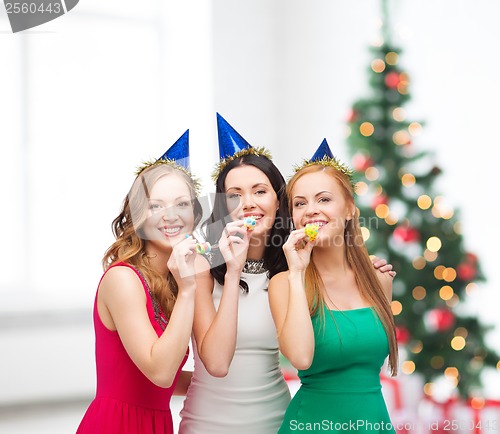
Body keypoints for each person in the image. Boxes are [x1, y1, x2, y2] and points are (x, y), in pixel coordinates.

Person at [179, 115, 395, 434]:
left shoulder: (287, 267)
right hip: (212, 424)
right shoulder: (207, 266)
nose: (249, 204)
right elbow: (218, 363)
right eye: (235, 195)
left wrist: (364, 267)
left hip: (275, 418)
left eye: (260, 191)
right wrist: (233, 267)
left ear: (277, 203)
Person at [76, 131, 209, 434]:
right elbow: (160, 372)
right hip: (116, 425)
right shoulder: (123, 279)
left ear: (195, 214)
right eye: (155, 206)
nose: (170, 216)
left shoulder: (172, 280)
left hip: (157, 423)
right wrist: (189, 289)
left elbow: (165, 383)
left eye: (182, 204)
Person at [269, 139, 398, 434]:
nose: (311, 210)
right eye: (300, 203)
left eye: (324, 199)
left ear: (350, 209)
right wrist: (297, 273)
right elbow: (300, 358)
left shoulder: (379, 281)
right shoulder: (284, 284)